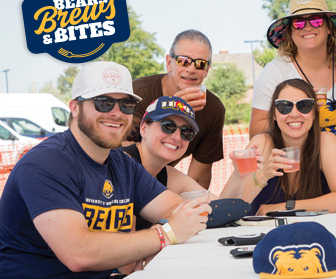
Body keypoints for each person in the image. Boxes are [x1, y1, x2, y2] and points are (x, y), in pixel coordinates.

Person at [0, 61, 210, 278]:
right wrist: (163, 235)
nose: (116, 113)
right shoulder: (45, 163)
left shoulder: (122, 164)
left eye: (126, 105)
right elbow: (79, 253)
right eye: (104, 102)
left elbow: (178, 210)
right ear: (75, 108)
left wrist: (149, 243)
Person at [225, 79, 336, 216]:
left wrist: (287, 207)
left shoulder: (325, 141)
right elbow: (228, 209)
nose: (294, 114)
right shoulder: (261, 145)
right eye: (284, 107)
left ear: (314, 113)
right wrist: (263, 175)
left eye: (304, 106)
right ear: (274, 114)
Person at [250, 0, 336, 144]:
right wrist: (298, 112)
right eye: (298, 22)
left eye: (316, 20)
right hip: (298, 160)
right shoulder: (275, 72)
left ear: (328, 28)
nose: (307, 27)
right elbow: (255, 131)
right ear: (290, 33)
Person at [126, 29, 225, 190]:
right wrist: (173, 107)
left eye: (200, 64)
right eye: (183, 61)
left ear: (207, 70)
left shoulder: (213, 109)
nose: (191, 69)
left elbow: (198, 179)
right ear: (169, 62)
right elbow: (121, 156)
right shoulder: (137, 93)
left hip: (163, 186)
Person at [120, 96, 219, 232]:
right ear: (143, 128)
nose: (177, 137)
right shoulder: (121, 165)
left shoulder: (169, 175)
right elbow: (125, 243)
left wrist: (242, 176)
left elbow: (219, 208)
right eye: (168, 126)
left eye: (186, 132)